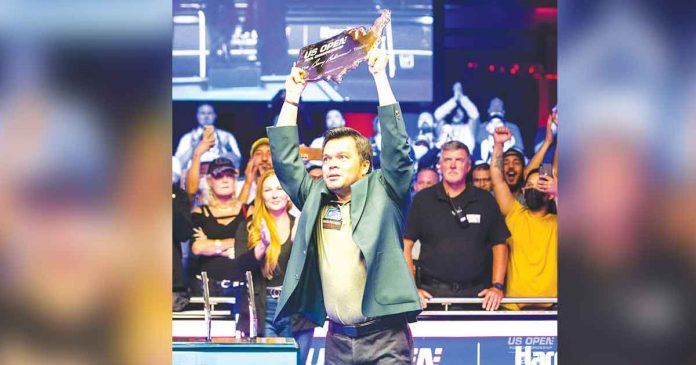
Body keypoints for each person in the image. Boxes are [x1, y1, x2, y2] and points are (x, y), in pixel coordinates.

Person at [267, 48, 421, 364]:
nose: (331, 165)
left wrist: (379, 77)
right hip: (336, 340)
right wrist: (293, 97)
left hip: (385, 339)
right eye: (326, 159)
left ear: (365, 165)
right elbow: (284, 160)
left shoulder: (386, 191)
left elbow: (397, 147)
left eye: (342, 157)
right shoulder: (315, 197)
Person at [404, 141, 510, 311]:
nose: (452, 165)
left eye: (459, 160)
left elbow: (500, 244)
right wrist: (410, 289)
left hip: (478, 296)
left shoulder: (485, 200)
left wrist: (497, 286)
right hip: (432, 296)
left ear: (468, 166)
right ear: (440, 165)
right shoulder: (423, 200)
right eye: (447, 160)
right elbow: (405, 244)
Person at [244, 170, 315, 364]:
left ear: (288, 193)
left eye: (280, 188)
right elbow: (239, 268)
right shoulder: (250, 227)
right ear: (261, 195)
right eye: (268, 190)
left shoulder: (300, 225)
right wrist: (262, 247)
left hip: (297, 311)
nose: (275, 194)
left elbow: (314, 271)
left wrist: (298, 242)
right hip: (265, 309)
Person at [490, 127, 557, 310]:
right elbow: (497, 179)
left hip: (552, 308)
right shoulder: (514, 212)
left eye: (539, 185)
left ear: (550, 193)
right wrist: (498, 145)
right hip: (513, 307)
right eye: (528, 185)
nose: (531, 188)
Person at [189, 158, 254, 329]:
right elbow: (197, 247)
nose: (225, 180)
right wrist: (233, 246)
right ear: (210, 181)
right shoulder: (200, 212)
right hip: (208, 288)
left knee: (242, 342)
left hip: (243, 287)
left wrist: (212, 244)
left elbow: (254, 244)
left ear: (235, 179)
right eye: (219, 176)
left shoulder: (249, 210)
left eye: (230, 175)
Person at [175, 104, 242, 171]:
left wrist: (224, 151)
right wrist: (193, 148)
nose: (206, 116)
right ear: (197, 116)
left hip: (219, 176)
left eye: (209, 113)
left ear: (215, 116)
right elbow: (178, 165)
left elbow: (238, 162)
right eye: (202, 113)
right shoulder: (187, 138)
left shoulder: (226, 136)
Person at [433, 82, 480, 153]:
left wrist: (461, 97)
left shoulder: (468, 127)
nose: (457, 113)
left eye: (459, 110)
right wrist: (454, 99)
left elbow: (475, 114)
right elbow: (437, 115)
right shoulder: (444, 127)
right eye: (455, 111)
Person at [476, 97, 524, 163]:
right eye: (493, 106)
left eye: (499, 106)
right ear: (488, 110)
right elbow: (478, 148)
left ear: (503, 112)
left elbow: (519, 149)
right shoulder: (481, 127)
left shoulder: (513, 128)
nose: (496, 108)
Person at [238, 137, 273, 205]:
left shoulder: (288, 187)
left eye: (270, 153)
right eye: (258, 154)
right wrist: (247, 183)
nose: (264, 158)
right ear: (251, 161)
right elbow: (238, 214)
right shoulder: (238, 186)